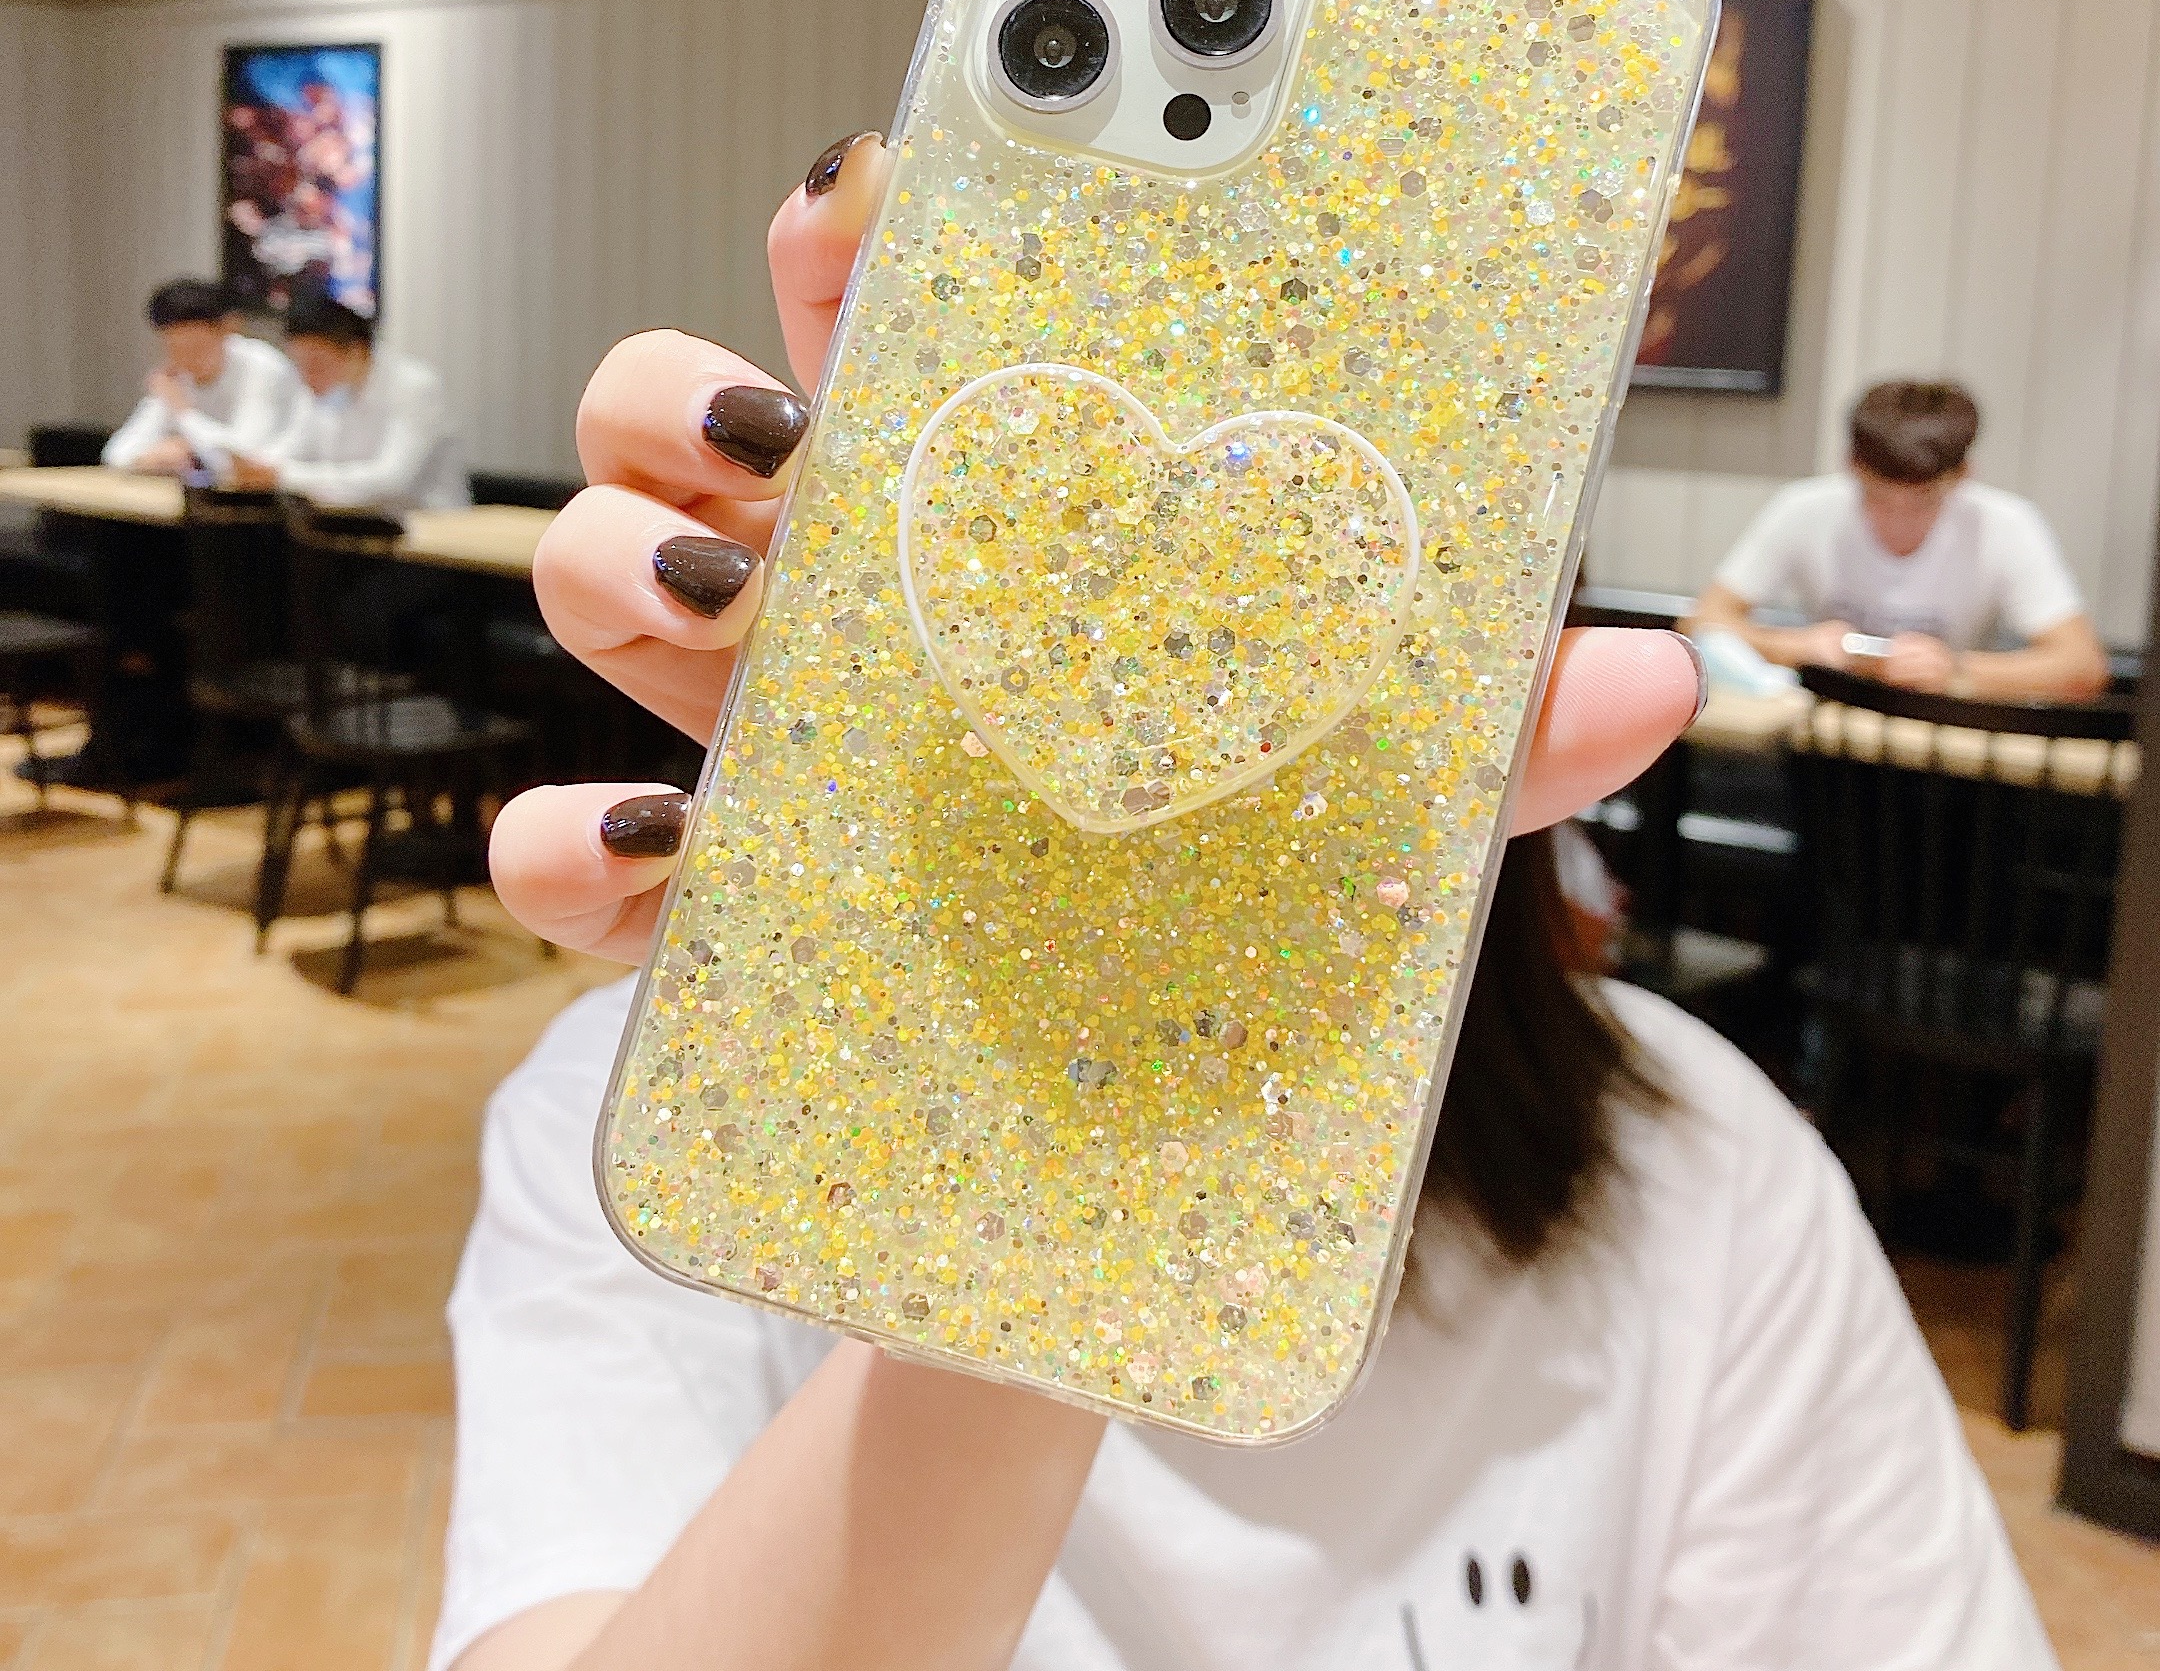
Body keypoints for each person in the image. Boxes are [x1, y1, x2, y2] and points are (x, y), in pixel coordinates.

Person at [430, 139, 2053, 1671]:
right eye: (1072, 577)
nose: (1167, 671)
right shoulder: (656, 1124)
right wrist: (1058, 1112)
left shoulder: (1701, 1172)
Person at [1690, 379, 2108, 701]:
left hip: (1947, 739)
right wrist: (1794, 646)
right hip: (1826, 740)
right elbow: (1701, 622)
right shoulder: (1804, 509)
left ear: (1963, 475)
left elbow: (2082, 665)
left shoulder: (2005, 525)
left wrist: (1955, 669)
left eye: (1924, 500)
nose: (1898, 516)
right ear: (1851, 465)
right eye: (1877, 496)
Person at [230, 287, 469, 512]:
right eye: (299, 365)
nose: (307, 377)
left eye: (316, 365)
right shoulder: (319, 388)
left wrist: (283, 475)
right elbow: (293, 445)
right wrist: (254, 465)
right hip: (344, 520)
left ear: (356, 351)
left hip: (426, 525)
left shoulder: (414, 388)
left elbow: (391, 480)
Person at [100, 277, 304, 479]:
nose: (186, 359)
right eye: (175, 348)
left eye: (196, 347)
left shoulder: (263, 368)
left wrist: (184, 415)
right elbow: (115, 454)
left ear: (228, 329)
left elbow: (245, 458)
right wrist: (150, 458)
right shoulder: (175, 376)